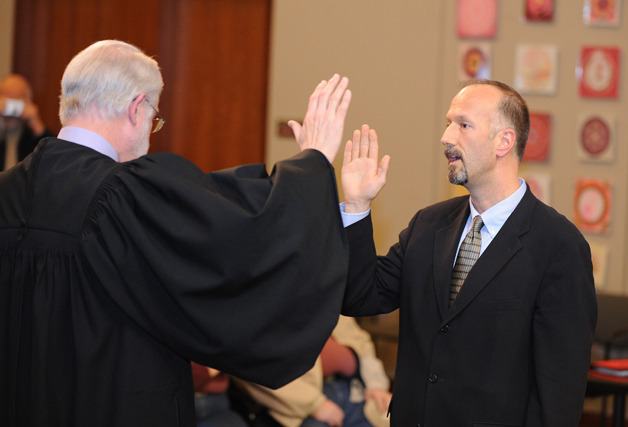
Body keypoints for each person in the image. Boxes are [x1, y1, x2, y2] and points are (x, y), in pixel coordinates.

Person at [0, 40, 353, 427]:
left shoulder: (7, 189)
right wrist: (312, 165)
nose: (152, 132)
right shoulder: (124, 196)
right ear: (136, 107)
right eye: (154, 117)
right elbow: (240, 234)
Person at [339, 80, 596, 426]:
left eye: (463, 125)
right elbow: (360, 296)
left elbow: (559, 389)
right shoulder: (428, 226)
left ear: (504, 141)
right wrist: (356, 205)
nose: (446, 137)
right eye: (448, 123)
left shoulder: (559, 246)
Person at [236, 316, 391, 427]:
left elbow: (359, 340)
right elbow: (249, 364)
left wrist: (375, 382)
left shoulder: (322, 288)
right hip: (301, 406)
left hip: (353, 387)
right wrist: (314, 404)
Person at [0, 73, 53, 170]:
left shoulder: (34, 136)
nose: (10, 109)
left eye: (16, 101)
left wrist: (36, 124)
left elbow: (54, 159)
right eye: (6, 100)